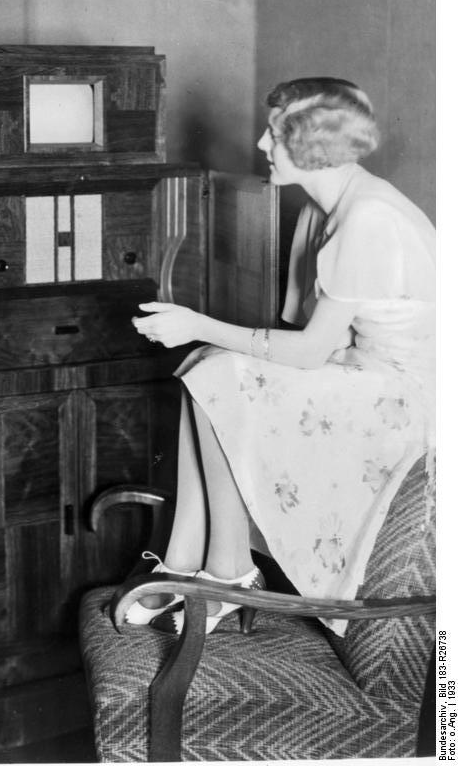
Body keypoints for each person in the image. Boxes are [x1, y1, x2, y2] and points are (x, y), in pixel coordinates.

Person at [129, 77, 436, 636]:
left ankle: (230, 572)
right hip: (363, 370)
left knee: (218, 368)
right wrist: (206, 341)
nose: (261, 145)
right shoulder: (324, 210)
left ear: (312, 144)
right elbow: (311, 337)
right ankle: (182, 560)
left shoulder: (368, 217)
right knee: (205, 366)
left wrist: (198, 324)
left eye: (274, 135)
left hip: (413, 399)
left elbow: (311, 350)